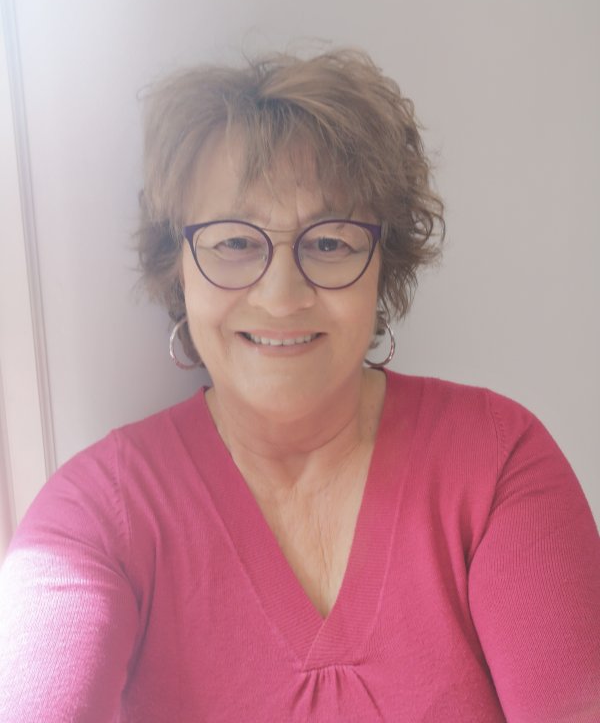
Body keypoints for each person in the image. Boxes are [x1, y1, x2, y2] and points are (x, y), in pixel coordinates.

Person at [0, 49, 598, 723]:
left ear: (383, 268)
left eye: (330, 242)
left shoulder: (498, 465)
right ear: (178, 268)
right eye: (233, 243)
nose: (282, 296)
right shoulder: (95, 517)